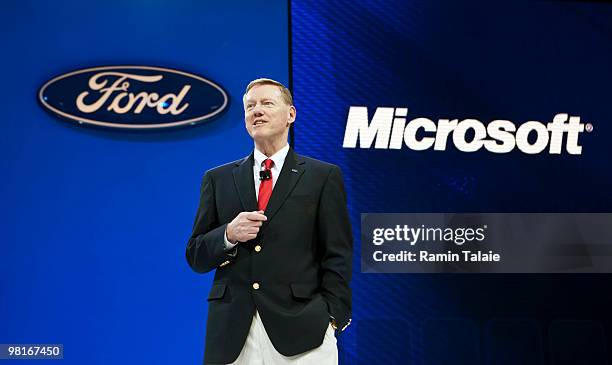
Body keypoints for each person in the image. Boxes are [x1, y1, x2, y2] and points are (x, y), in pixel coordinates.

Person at [186, 78, 353, 364]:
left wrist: (332, 316)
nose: (257, 111)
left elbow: (337, 253)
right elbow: (196, 255)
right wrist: (228, 234)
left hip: (304, 330)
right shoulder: (218, 179)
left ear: (291, 114)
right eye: (250, 106)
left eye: (267, 103)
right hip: (233, 334)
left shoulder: (322, 176)